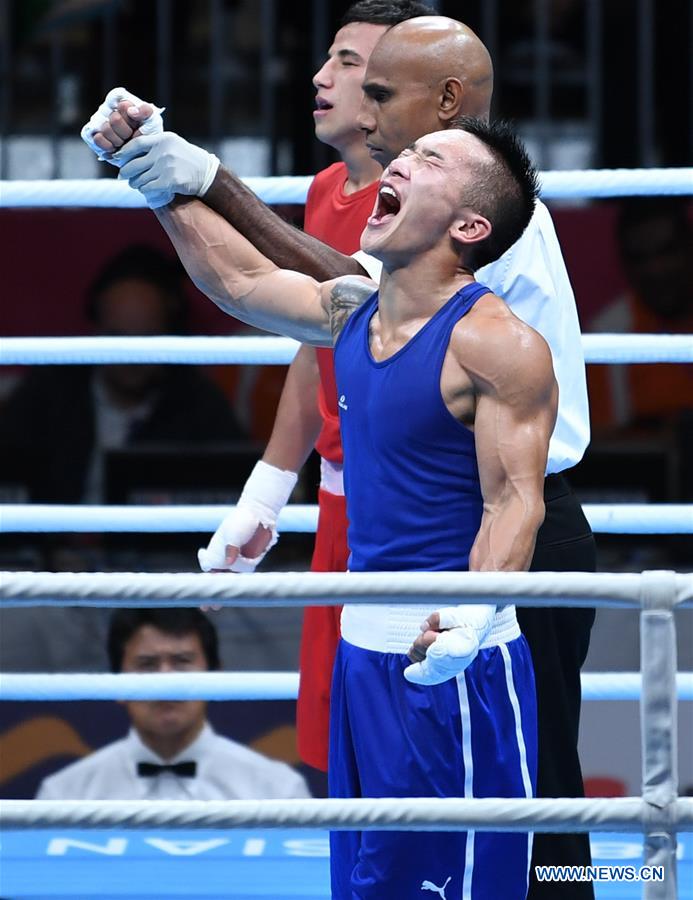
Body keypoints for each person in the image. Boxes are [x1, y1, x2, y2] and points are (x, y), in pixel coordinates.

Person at [83, 14, 596, 895]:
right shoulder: (363, 302)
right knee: (369, 868)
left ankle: (606, 887)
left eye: (385, 95)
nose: (372, 124)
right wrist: (154, 172)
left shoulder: (495, 318)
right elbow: (245, 284)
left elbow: (515, 499)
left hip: (485, 577)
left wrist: (475, 615)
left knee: (526, 834)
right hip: (368, 629)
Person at [0, 243, 245, 506]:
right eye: (117, 337)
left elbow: (228, 491)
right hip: (52, 544)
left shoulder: (200, 406)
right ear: (96, 325)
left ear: (170, 331)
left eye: (145, 338)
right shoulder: (47, 393)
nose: (130, 356)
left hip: (158, 547)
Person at [36, 608, 311, 800]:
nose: (165, 681)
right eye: (147, 664)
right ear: (116, 683)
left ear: (217, 677)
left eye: (182, 662)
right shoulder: (63, 794)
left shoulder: (278, 790)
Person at [588, 197, 693, 432]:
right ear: (625, 265)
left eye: (667, 251)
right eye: (640, 258)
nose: (655, 270)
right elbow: (607, 449)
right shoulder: (607, 335)